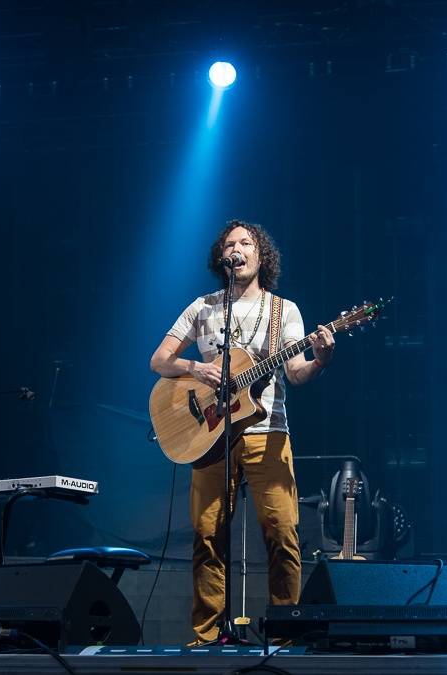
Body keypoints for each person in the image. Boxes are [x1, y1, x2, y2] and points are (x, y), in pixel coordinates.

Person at [149, 220, 335, 645]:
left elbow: (296, 372)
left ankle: (285, 630)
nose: (237, 249)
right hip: (210, 436)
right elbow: (159, 361)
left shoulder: (282, 311)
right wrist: (197, 368)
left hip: (267, 432)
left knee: (283, 532)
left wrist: (320, 359)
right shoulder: (203, 307)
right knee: (207, 535)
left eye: (245, 243)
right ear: (222, 258)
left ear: (260, 255)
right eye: (229, 244)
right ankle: (207, 634)